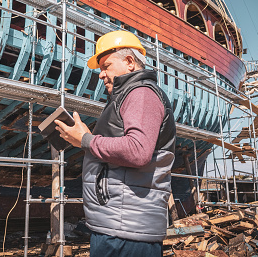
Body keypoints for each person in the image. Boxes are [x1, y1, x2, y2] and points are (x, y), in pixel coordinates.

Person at [55, 30, 176, 257]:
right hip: (118, 225)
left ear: (129, 62)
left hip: (127, 233)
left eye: (106, 66)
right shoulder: (129, 95)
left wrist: (86, 140)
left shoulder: (141, 93)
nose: (101, 75)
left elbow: (138, 151)